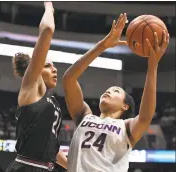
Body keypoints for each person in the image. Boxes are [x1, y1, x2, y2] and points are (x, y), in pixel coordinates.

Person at [62, 13, 169, 172]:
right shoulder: (84, 116)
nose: (108, 91)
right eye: (108, 90)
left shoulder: (126, 127)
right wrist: (102, 46)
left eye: (116, 91)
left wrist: (152, 66)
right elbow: (68, 79)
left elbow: (145, 116)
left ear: (125, 106)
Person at [5, 2, 67, 172]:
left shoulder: (51, 101)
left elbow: (51, 150)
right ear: (36, 69)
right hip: (26, 166)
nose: (54, 69)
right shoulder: (30, 87)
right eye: (47, 66)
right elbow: (47, 29)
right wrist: (49, 6)